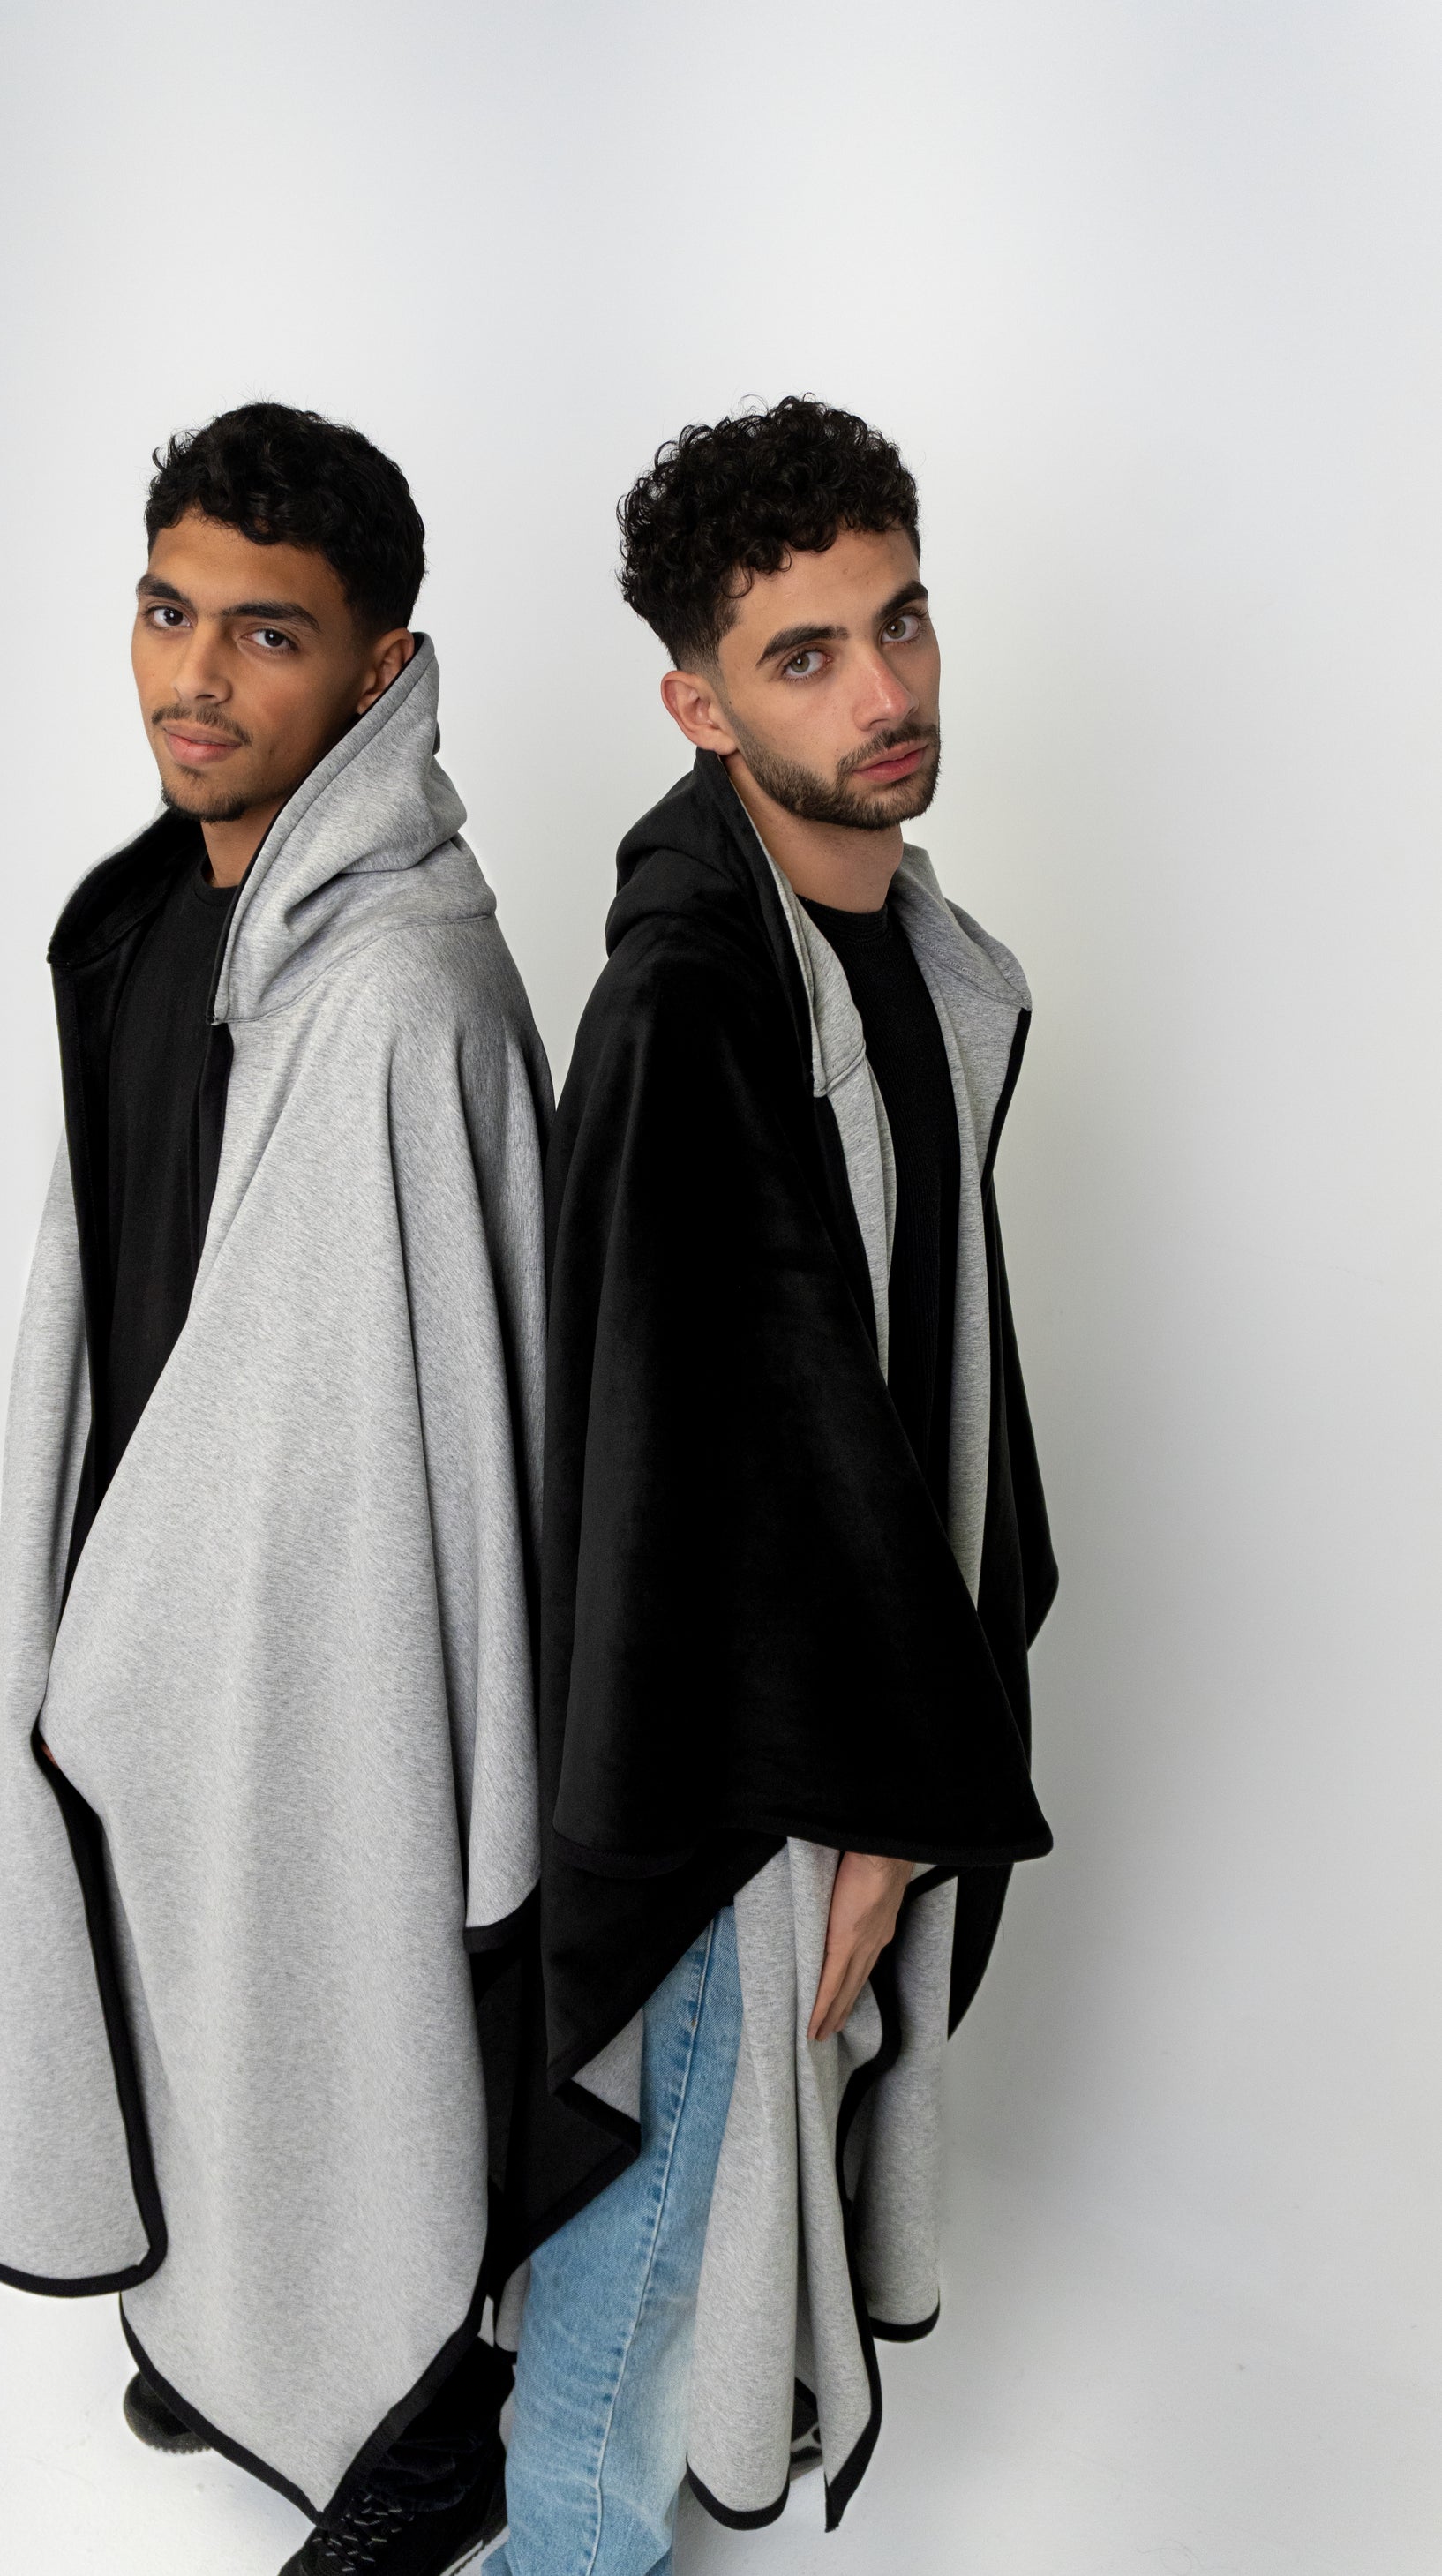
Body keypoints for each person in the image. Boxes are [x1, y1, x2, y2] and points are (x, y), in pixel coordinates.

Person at [0, 402, 563, 2576]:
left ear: (381, 668)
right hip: (170, 1549)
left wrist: (164, 1590)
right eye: (166, 611)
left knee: (339, 1930)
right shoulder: (169, 911)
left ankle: (411, 2408)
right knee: (187, 1934)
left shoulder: (403, 988)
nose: (195, 676)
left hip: (328, 1596)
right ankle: (220, 2305)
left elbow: (406, 1421)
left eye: (267, 633)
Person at [494, 398, 1058, 2576]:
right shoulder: (689, 1002)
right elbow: (705, 1461)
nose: (883, 689)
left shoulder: (883, 936)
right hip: (738, 1771)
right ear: (699, 704)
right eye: (803, 654)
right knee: (663, 2206)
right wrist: (868, 1805)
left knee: (721, 2181)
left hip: (842, 1728)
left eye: (896, 619)